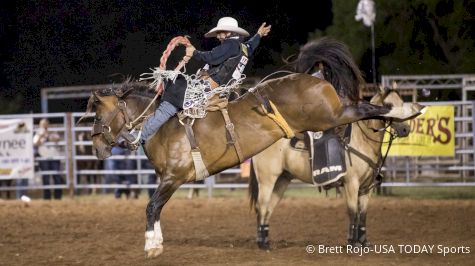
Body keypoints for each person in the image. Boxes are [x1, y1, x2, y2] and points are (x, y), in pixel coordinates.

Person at [128, 17, 271, 149]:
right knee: (175, 83)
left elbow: (212, 57)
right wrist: (258, 35)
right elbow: (251, 46)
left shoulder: (230, 44)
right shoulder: (242, 47)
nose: (219, 36)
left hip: (207, 88)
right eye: (219, 33)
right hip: (216, 88)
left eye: (221, 33)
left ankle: (140, 137)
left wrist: (195, 52)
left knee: (172, 97)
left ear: (229, 33)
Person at [33, 118, 64, 200]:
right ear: (40, 126)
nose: (44, 126)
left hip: (54, 157)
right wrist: (41, 136)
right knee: (45, 177)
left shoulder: (53, 132)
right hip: (43, 158)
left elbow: (57, 139)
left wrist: (48, 135)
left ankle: (58, 197)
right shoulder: (38, 134)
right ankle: (47, 197)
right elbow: (35, 143)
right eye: (43, 124)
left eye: (46, 124)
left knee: (56, 176)